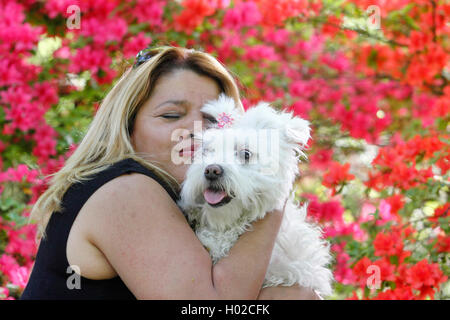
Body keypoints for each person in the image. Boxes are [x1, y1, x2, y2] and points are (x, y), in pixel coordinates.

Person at [21, 45, 320, 300]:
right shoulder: (126, 190)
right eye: (171, 116)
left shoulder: (184, 201)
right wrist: (277, 186)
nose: (195, 130)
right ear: (127, 127)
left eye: (211, 120)